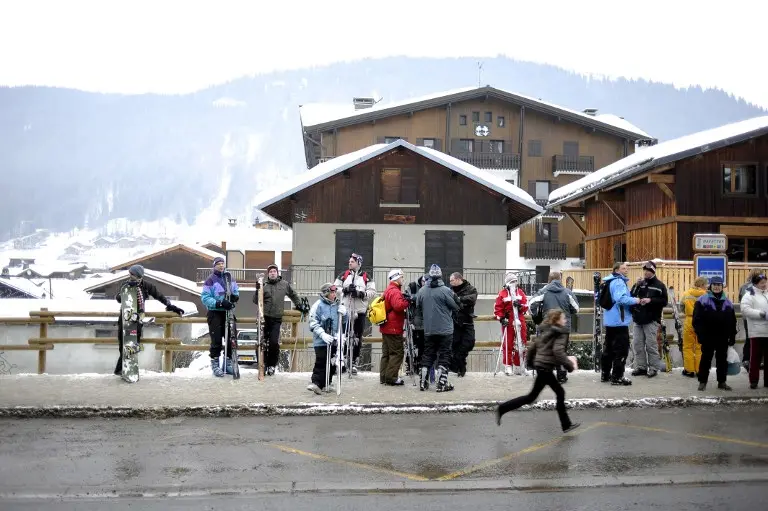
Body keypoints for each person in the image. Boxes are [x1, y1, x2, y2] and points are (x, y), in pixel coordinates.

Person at [495, 309, 580, 433]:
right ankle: (566, 424)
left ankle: (502, 408)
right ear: (557, 320)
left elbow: (534, 346)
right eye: (563, 318)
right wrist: (569, 366)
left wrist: (530, 363)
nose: (565, 320)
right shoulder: (560, 333)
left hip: (542, 367)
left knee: (531, 397)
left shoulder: (547, 330)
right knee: (559, 393)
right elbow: (558, 352)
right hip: (545, 368)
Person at [114, 264, 184, 376]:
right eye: (130, 274)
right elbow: (118, 298)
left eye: (132, 274)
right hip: (125, 320)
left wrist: (170, 306)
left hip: (137, 321)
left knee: (132, 345)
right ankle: (120, 369)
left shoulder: (145, 286)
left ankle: (123, 369)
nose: (130, 276)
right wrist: (127, 289)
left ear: (138, 275)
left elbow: (159, 295)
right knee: (124, 346)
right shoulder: (126, 285)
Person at [253, 263, 308, 376]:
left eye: (274, 271)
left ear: (277, 273)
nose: (273, 273)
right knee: (261, 342)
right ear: (268, 274)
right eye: (271, 272)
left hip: (276, 319)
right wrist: (257, 289)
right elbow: (255, 300)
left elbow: (293, 294)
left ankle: (272, 365)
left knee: (274, 343)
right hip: (264, 318)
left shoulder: (284, 284)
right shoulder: (263, 284)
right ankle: (261, 364)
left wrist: (299, 305)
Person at [528, 270, 579, 383]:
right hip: (563, 327)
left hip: (548, 326)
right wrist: (567, 312)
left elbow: (531, 303)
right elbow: (576, 308)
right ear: (560, 279)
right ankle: (561, 376)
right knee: (561, 351)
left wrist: (536, 317)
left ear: (549, 280)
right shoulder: (567, 292)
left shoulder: (544, 291)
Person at [415, 264, 459, 392]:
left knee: (428, 354)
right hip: (445, 330)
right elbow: (455, 306)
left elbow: (418, 309)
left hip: (429, 329)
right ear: (440, 276)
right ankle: (441, 384)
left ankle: (423, 382)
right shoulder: (445, 290)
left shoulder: (422, 291)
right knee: (444, 355)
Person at [333, 253, 376, 374]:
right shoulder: (343, 275)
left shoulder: (366, 276)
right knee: (343, 336)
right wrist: (345, 290)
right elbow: (335, 288)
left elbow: (372, 291)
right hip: (346, 310)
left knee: (357, 336)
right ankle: (342, 360)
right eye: (349, 261)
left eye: (352, 261)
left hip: (360, 311)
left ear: (359, 263)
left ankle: (354, 362)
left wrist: (361, 294)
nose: (349, 263)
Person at [693, 276, 736, 391]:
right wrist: (701, 335)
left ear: (722, 287)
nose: (717, 287)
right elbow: (697, 320)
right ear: (710, 286)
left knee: (722, 360)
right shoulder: (702, 300)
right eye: (714, 285)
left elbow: (732, 321)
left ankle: (722, 382)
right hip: (708, 336)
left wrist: (732, 336)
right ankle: (702, 381)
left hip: (723, 337)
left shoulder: (728, 302)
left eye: (719, 285)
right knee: (706, 359)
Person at [601, 262, 641, 386]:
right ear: (617, 270)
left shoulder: (609, 281)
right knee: (621, 350)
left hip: (610, 321)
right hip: (619, 321)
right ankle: (617, 377)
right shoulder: (618, 282)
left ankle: (605, 374)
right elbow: (621, 299)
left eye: (626, 268)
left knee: (609, 349)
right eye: (624, 268)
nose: (626, 270)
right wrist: (637, 300)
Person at [201, 257, 241, 377]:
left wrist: (234, 297)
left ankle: (227, 363)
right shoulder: (210, 280)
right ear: (214, 266)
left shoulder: (229, 278)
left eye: (222, 263)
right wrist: (218, 303)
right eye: (218, 264)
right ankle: (215, 364)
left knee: (231, 339)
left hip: (228, 312)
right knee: (217, 339)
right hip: (215, 312)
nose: (221, 266)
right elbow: (205, 298)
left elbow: (236, 291)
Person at [629, 260, 668, 377]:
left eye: (648, 271)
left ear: (653, 271)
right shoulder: (640, 283)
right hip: (638, 318)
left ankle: (653, 368)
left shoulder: (659, 285)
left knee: (651, 345)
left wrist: (650, 300)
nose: (645, 273)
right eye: (644, 271)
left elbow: (664, 301)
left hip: (651, 319)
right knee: (637, 344)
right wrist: (636, 285)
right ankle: (641, 367)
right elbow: (631, 296)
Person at [307, 283, 347, 394]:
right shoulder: (318, 305)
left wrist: (344, 314)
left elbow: (343, 322)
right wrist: (322, 334)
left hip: (334, 339)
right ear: (326, 293)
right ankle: (316, 383)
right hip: (321, 340)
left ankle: (326, 383)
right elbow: (313, 323)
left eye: (335, 292)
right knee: (321, 360)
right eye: (332, 292)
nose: (334, 294)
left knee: (332, 362)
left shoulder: (338, 305)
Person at [379, 269, 411, 386]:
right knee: (397, 353)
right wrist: (407, 301)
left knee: (386, 353)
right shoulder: (395, 291)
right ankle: (391, 378)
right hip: (393, 327)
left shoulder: (388, 289)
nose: (403, 279)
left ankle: (384, 377)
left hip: (386, 326)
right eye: (402, 277)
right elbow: (398, 306)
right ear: (396, 278)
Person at [493, 272, 529, 376]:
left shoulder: (520, 292)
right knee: (508, 343)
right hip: (508, 320)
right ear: (508, 283)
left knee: (521, 342)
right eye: (512, 281)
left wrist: (520, 306)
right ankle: (508, 366)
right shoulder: (502, 293)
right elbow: (497, 308)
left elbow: (526, 305)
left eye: (515, 281)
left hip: (519, 320)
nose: (514, 283)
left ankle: (519, 366)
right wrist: (501, 318)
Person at [740, 272, 768, 389]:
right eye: (762, 283)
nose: (764, 285)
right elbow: (745, 310)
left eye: (765, 282)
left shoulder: (767, 294)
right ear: (756, 284)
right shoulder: (749, 294)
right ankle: (754, 381)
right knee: (755, 357)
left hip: (767, 331)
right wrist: (761, 314)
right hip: (756, 331)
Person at [449, 272, 478, 377]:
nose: (450, 282)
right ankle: (460, 369)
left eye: (452, 280)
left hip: (467, 321)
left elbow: (472, 299)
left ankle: (460, 364)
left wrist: (458, 299)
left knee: (469, 343)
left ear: (458, 279)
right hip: (454, 322)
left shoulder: (471, 289)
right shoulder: (450, 290)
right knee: (455, 344)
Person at [680, 277, 708, 377]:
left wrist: (688, 313)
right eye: (705, 285)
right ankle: (700, 370)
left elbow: (681, 307)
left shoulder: (687, 294)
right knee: (700, 347)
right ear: (701, 285)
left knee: (688, 346)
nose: (706, 287)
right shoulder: (706, 295)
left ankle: (689, 370)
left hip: (689, 320)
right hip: (702, 322)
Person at [739, 269, 765, 370]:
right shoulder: (755, 287)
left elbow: (740, 300)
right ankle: (757, 362)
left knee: (749, 338)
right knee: (759, 339)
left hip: (747, 317)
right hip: (759, 316)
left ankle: (746, 360)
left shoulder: (743, 286)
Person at [405, 275, 427, 374]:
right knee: (410, 345)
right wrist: (411, 299)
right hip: (413, 321)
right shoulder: (413, 286)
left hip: (425, 324)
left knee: (423, 346)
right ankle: (410, 366)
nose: (425, 284)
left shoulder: (430, 289)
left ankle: (421, 366)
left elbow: (424, 299)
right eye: (423, 281)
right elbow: (406, 298)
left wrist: (414, 298)